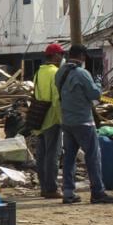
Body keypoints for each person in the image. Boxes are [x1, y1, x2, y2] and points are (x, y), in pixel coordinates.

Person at [55, 44, 113, 204]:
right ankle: (97, 192)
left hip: (67, 121)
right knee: (93, 157)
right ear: (82, 57)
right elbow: (95, 94)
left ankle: (68, 192)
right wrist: (98, 83)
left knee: (69, 158)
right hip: (83, 121)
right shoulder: (82, 73)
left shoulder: (60, 72)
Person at [34, 43, 64, 198]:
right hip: (52, 118)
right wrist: (62, 119)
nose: (62, 58)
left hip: (39, 119)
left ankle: (44, 187)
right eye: (61, 54)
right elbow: (57, 98)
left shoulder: (39, 72)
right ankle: (51, 188)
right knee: (53, 155)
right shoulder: (55, 72)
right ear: (56, 56)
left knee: (42, 155)